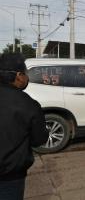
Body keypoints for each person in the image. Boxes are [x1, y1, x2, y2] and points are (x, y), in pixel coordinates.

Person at [0, 53, 49, 200]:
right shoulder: (28, 104)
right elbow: (38, 139)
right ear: (19, 76)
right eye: (26, 73)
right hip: (10, 177)